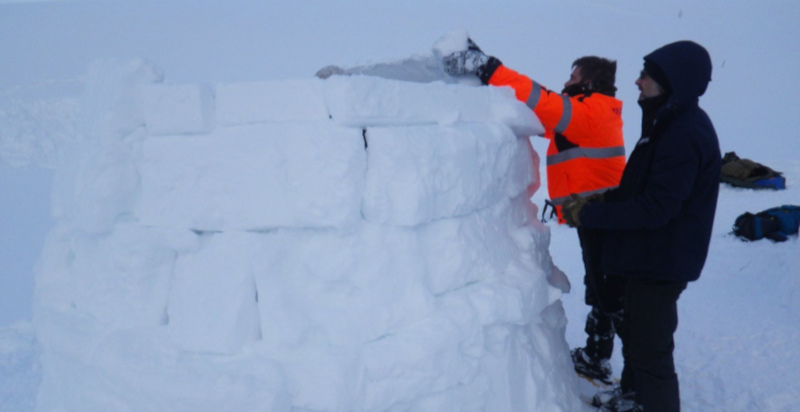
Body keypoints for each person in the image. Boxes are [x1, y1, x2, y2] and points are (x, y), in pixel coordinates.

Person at [442, 39, 627, 385]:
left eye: (573, 77)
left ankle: (621, 371)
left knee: (610, 294)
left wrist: (489, 68)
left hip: (605, 218)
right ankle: (596, 355)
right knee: (601, 288)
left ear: (588, 83)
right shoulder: (588, 112)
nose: (567, 82)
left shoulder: (591, 112)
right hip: (596, 216)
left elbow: (542, 100)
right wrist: (493, 84)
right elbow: (538, 109)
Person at [561, 40, 720, 412]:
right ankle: (635, 398)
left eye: (646, 75)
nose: (637, 81)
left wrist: (590, 215)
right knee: (636, 337)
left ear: (670, 81)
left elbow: (656, 208)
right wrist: (604, 201)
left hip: (662, 261)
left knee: (651, 351)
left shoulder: (683, 133)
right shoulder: (667, 122)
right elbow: (641, 188)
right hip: (648, 256)